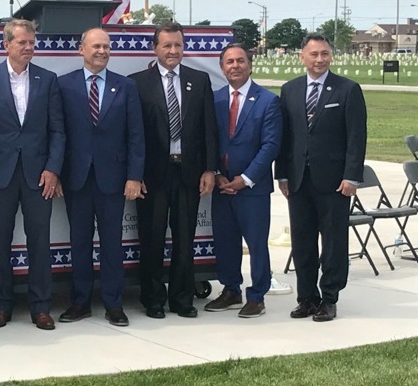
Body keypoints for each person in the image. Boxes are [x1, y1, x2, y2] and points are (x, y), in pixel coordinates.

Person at [0, 19, 65, 330]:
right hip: (0, 174)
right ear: (6, 44)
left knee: (39, 242)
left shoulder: (48, 79)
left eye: (31, 42)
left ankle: (41, 307)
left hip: (39, 176)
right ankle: (1, 306)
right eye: (22, 42)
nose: (28, 47)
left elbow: (57, 130)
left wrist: (53, 168)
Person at [128, 21, 218, 319]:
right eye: (166, 45)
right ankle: (152, 299)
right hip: (153, 175)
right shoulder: (137, 82)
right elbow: (133, 134)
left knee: (184, 238)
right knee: (152, 238)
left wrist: (209, 169)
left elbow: (209, 130)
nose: (173, 51)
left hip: (188, 173)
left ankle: (182, 298)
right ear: (155, 48)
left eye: (178, 45)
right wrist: (135, 173)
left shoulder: (199, 80)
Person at [274, 34, 367, 322]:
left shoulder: (347, 90)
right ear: (302, 56)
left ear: (331, 56)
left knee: (334, 244)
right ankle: (307, 298)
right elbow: (285, 138)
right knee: (302, 243)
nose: (319, 59)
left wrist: (352, 176)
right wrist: (283, 175)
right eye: (313, 54)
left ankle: (329, 298)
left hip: (334, 183)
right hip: (299, 181)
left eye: (324, 53)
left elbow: (356, 137)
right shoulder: (289, 90)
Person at [56, 28, 144, 327]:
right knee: (79, 242)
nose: (102, 51)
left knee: (112, 243)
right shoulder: (63, 85)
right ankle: (80, 302)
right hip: (77, 178)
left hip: (114, 178)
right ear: (81, 49)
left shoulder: (126, 86)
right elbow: (58, 133)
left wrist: (134, 176)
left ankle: (114, 304)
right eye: (96, 46)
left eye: (106, 46)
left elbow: (136, 136)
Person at [204, 44, 282, 318]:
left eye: (240, 61)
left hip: (252, 188)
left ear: (250, 65)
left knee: (257, 243)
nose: (234, 66)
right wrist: (216, 173)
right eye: (229, 62)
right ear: (222, 67)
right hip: (221, 186)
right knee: (225, 241)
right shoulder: (214, 100)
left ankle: (257, 295)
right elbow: (208, 140)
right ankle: (231, 289)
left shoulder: (268, 101)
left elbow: (270, 146)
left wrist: (245, 179)